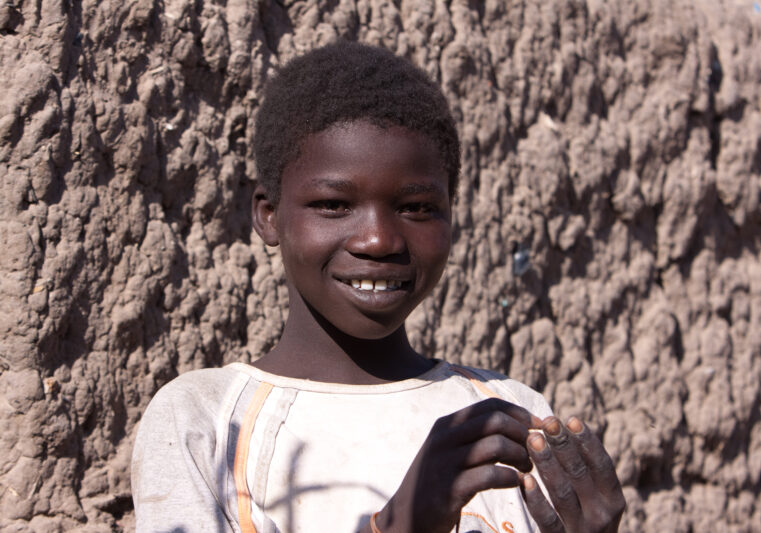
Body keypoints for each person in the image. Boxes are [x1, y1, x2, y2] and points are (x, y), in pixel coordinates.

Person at [131, 41, 625, 533]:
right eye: (333, 205)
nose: (379, 239)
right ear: (269, 216)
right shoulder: (206, 422)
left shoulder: (510, 418)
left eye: (416, 208)